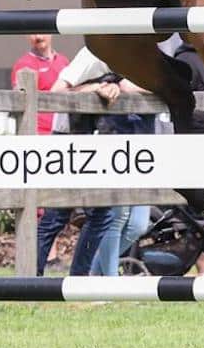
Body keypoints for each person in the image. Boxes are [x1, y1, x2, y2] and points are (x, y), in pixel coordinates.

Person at [52, 47, 154, 276]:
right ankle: (109, 282)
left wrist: (129, 87)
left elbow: (166, 86)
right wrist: (98, 89)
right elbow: (58, 90)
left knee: (138, 225)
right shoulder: (97, 54)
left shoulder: (148, 55)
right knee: (115, 219)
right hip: (113, 144)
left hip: (144, 148)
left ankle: (95, 271)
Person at [11, 32, 73, 270]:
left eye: (42, 32)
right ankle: (46, 256)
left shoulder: (64, 62)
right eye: (33, 33)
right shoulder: (23, 65)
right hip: (36, 136)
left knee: (55, 200)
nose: (38, 37)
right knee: (37, 200)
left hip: (62, 136)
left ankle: (48, 253)